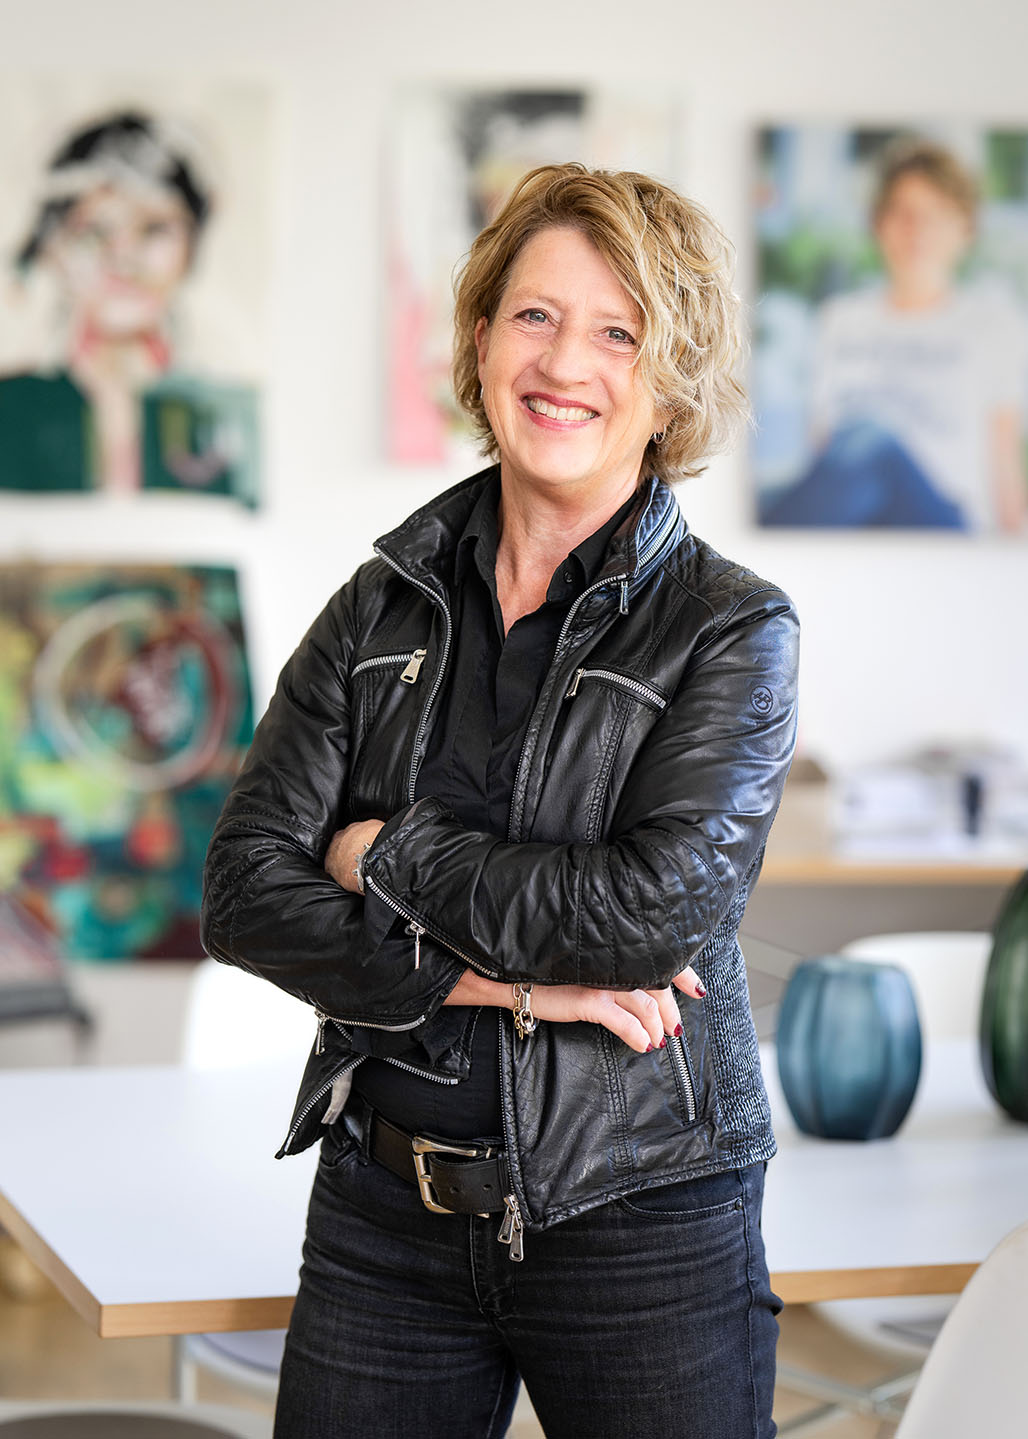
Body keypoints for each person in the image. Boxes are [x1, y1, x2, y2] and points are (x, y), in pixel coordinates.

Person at [202, 163, 799, 1438]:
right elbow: (244, 892)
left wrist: (380, 851)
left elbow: (645, 917)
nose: (562, 362)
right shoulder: (380, 604)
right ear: (479, 341)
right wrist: (512, 985)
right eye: (533, 314)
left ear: (669, 381)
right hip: (382, 1214)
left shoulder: (729, 628)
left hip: (641, 1223)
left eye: (617, 331)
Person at [763, 137, 1028, 532]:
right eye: (902, 212)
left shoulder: (990, 325)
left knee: (872, 440)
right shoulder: (840, 320)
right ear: (878, 223)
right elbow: (824, 449)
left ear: (965, 228)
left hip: (946, 526)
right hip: (861, 523)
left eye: (935, 214)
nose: (916, 229)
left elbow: (1003, 459)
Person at [0, 110, 258, 502]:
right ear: (53, 247)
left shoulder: (230, 415)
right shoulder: (11, 408)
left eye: (153, 229)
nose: (122, 258)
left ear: (191, 246)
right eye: (93, 231)